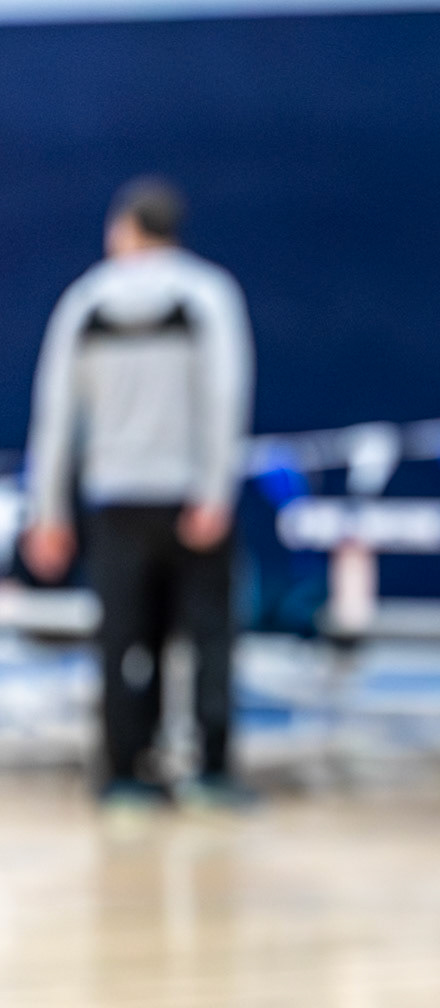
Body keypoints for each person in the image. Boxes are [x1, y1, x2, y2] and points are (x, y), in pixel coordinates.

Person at [23, 176, 255, 807]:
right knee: (207, 640)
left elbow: (55, 414)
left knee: (122, 639)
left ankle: (126, 772)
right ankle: (210, 772)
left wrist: (48, 512)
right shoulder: (209, 294)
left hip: (114, 500)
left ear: (125, 228)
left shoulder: (85, 301)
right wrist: (215, 490)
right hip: (189, 499)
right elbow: (225, 396)